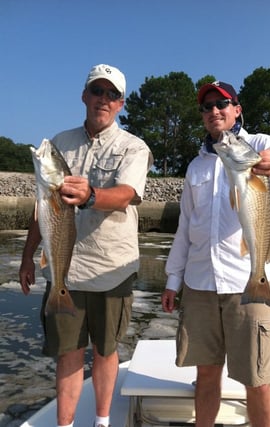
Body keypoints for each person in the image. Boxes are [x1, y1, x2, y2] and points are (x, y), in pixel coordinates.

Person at [161, 80, 270, 427]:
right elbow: (186, 226)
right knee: (206, 374)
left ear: (237, 109)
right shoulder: (196, 166)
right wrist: (173, 280)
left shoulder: (261, 145)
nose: (214, 110)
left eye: (222, 103)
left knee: (257, 379)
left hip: (249, 280)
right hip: (200, 283)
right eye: (206, 106)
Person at [19, 64, 153, 427]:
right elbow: (41, 210)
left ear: (121, 103)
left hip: (113, 268)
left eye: (111, 94)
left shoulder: (134, 147)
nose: (103, 100)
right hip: (66, 271)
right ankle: (65, 424)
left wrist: (91, 195)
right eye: (97, 91)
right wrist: (28, 256)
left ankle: (102, 421)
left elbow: (126, 195)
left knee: (106, 351)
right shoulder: (59, 143)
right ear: (84, 95)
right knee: (68, 353)